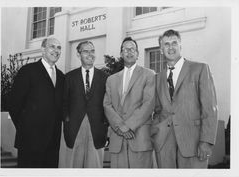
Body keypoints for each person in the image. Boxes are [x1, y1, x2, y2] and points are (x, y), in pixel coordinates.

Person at [151, 29, 218, 168]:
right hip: (164, 145)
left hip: (193, 142)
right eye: (166, 44)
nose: (171, 47)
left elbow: (210, 108)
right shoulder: (157, 78)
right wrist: (156, 132)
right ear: (161, 49)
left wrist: (206, 141)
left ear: (180, 46)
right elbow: (158, 110)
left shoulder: (199, 69)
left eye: (174, 43)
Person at [8, 37, 65, 168]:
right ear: (43, 49)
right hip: (30, 142)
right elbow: (14, 104)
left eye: (59, 48)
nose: (56, 50)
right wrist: (26, 129)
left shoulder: (62, 76)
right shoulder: (27, 71)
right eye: (52, 46)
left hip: (52, 144)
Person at [103, 37, 155, 168]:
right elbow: (107, 105)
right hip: (117, 140)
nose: (129, 51)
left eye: (132, 49)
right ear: (121, 54)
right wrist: (120, 126)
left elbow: (148, 104)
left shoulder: (149, 75)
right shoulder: (111, 79)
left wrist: (128, 126)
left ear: (137, 54)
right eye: (125, 49)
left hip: (140, 138)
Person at [63, 41, 108, 168]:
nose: (90, 54)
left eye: (92, 51)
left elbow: (108, 103)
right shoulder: (69, 77)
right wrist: (67, 120)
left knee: (95, 167)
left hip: (97, 129)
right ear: (78, 54)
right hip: (74, 129)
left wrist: (106, 123)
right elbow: (64, 103)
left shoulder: (104, 77)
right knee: (74, 167)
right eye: (86, 51)